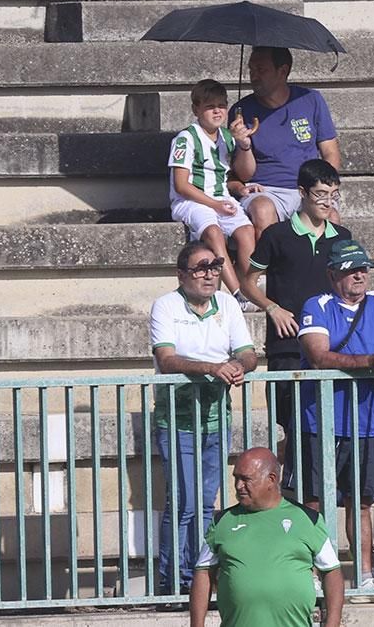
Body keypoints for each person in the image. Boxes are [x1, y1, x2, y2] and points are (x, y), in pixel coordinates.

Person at [297, 239, 374, 597]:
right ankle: (315, 574)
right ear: (333, 274)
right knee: (315, 501)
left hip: (367, 422)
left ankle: (365, 575)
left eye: (363, 267)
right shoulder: (316, 305)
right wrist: (369, 362)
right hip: (321, 419)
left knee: (362, 501)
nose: (360, 274)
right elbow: (318, 355)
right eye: (351, 269)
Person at [148, 240, 258, 597]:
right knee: (183, 503)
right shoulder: (166, 305)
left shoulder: (227, 303)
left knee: (207, 503)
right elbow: (166, 359)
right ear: (182, 275)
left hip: (215, 417)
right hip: (177, 418)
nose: (210, 274)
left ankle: (199, 578)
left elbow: (247, 353)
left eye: (215, 266)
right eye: (201, 267)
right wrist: (213, 368)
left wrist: (237, 367)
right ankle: (173, 582)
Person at [239, 159, 353, 481]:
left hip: (332, 350)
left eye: (333, 195)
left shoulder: (342, 236)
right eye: (320, 194)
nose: (328, 202)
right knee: (292, 427)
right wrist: (272, 308)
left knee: (328, 429)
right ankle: (288, 495)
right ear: (302, 193)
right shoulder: (276, 235)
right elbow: (248, 281)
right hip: (287, 347)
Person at [190, 448, 344, 627]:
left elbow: (332, 571)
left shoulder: (308, 519)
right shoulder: (222, 522)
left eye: (246, 479)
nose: (238, 486)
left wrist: (332, 623)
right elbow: (203, 572)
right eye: (236, 478)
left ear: (271, 479)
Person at [229, 46, 342, 234]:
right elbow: (244, 175)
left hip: (309, 186)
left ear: (282, 71)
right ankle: (272, 264)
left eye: (261, 70)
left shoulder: (311, 99)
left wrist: (320, 188)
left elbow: (331, 153)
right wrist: (243, 145)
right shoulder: (240, 111)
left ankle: (322, 263)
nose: (254, 76)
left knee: (331, 216)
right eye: (251, 69)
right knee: (262, 209)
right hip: (265, 189)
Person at [166, 79, 258, 308]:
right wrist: (215, 205)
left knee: (247, 231)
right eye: (209, 106)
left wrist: (244, 144)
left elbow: (244, 173)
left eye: (222, 105)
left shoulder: (228, 137)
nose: (217, 111)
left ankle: (249, 287)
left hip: (221, 198)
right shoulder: (186, 138)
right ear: (196, 109)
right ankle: (238, 293)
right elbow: (181, 185)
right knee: (214, 232)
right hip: (190, 201)